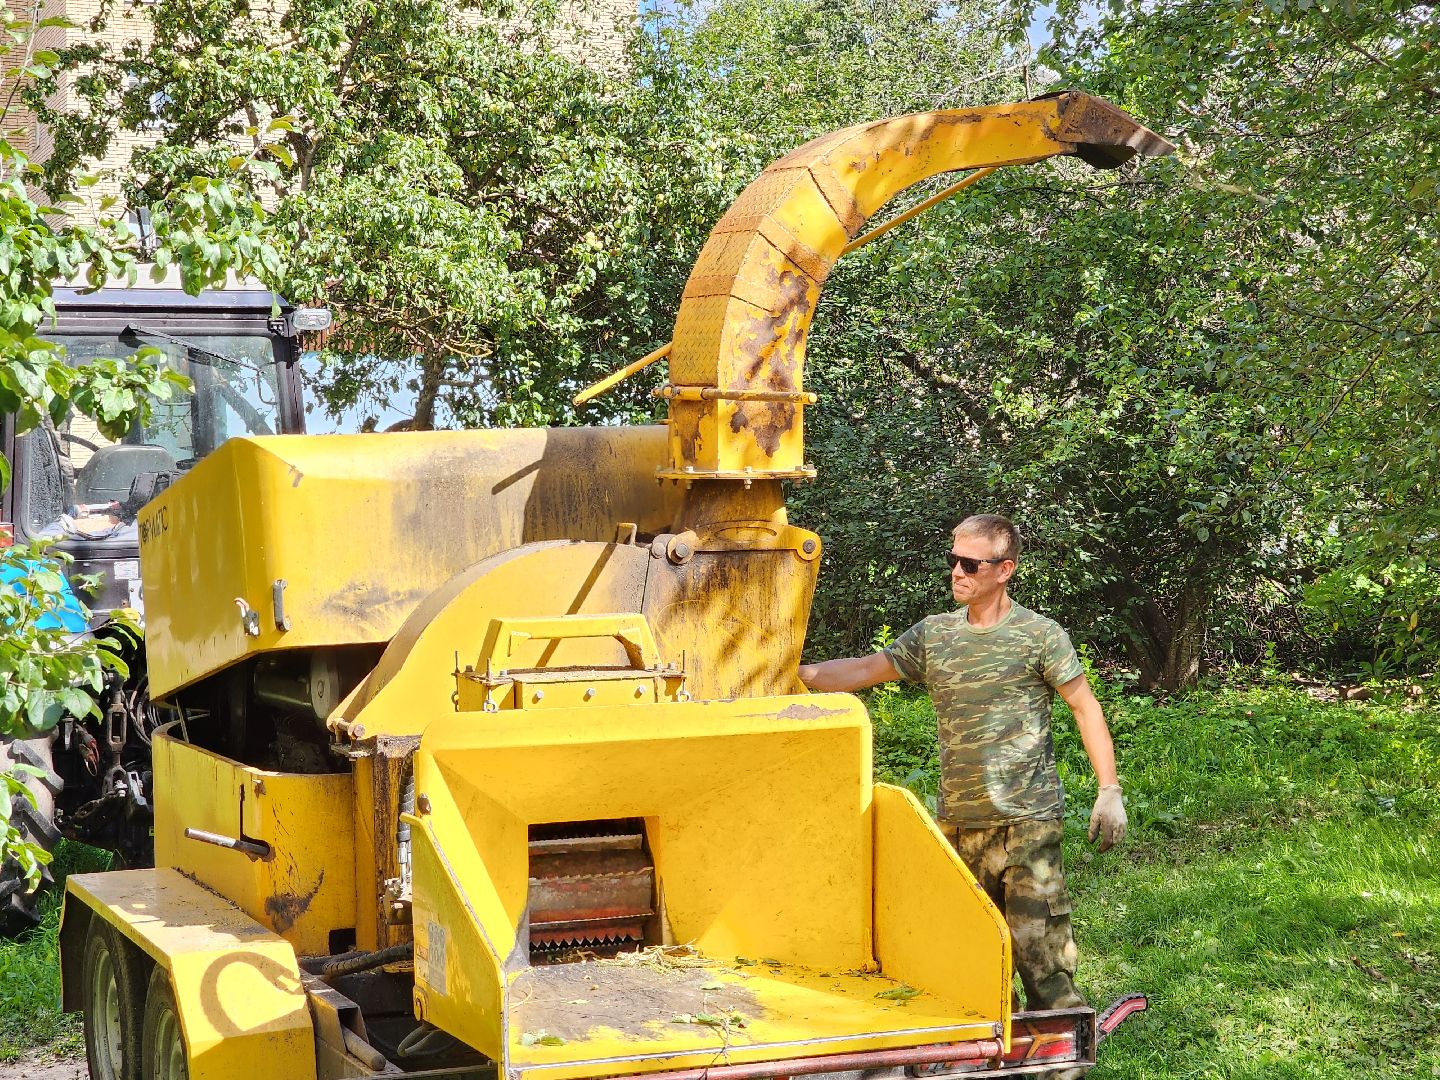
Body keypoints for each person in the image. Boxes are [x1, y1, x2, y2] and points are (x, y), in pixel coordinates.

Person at [798, 513, 1126, 1032]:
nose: (957, 571)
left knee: (1039, 953)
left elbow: (1085, 707)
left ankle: (1062, 1057)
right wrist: (792, 672)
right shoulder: (934, 636)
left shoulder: (1039, 636)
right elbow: (865, 669)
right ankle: (994, 1052)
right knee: (973, 956)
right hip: (959, 824)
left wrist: (1109, 791)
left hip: (1028, 822)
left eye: (970, 563)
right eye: (953, 559)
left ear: (1004, 570)